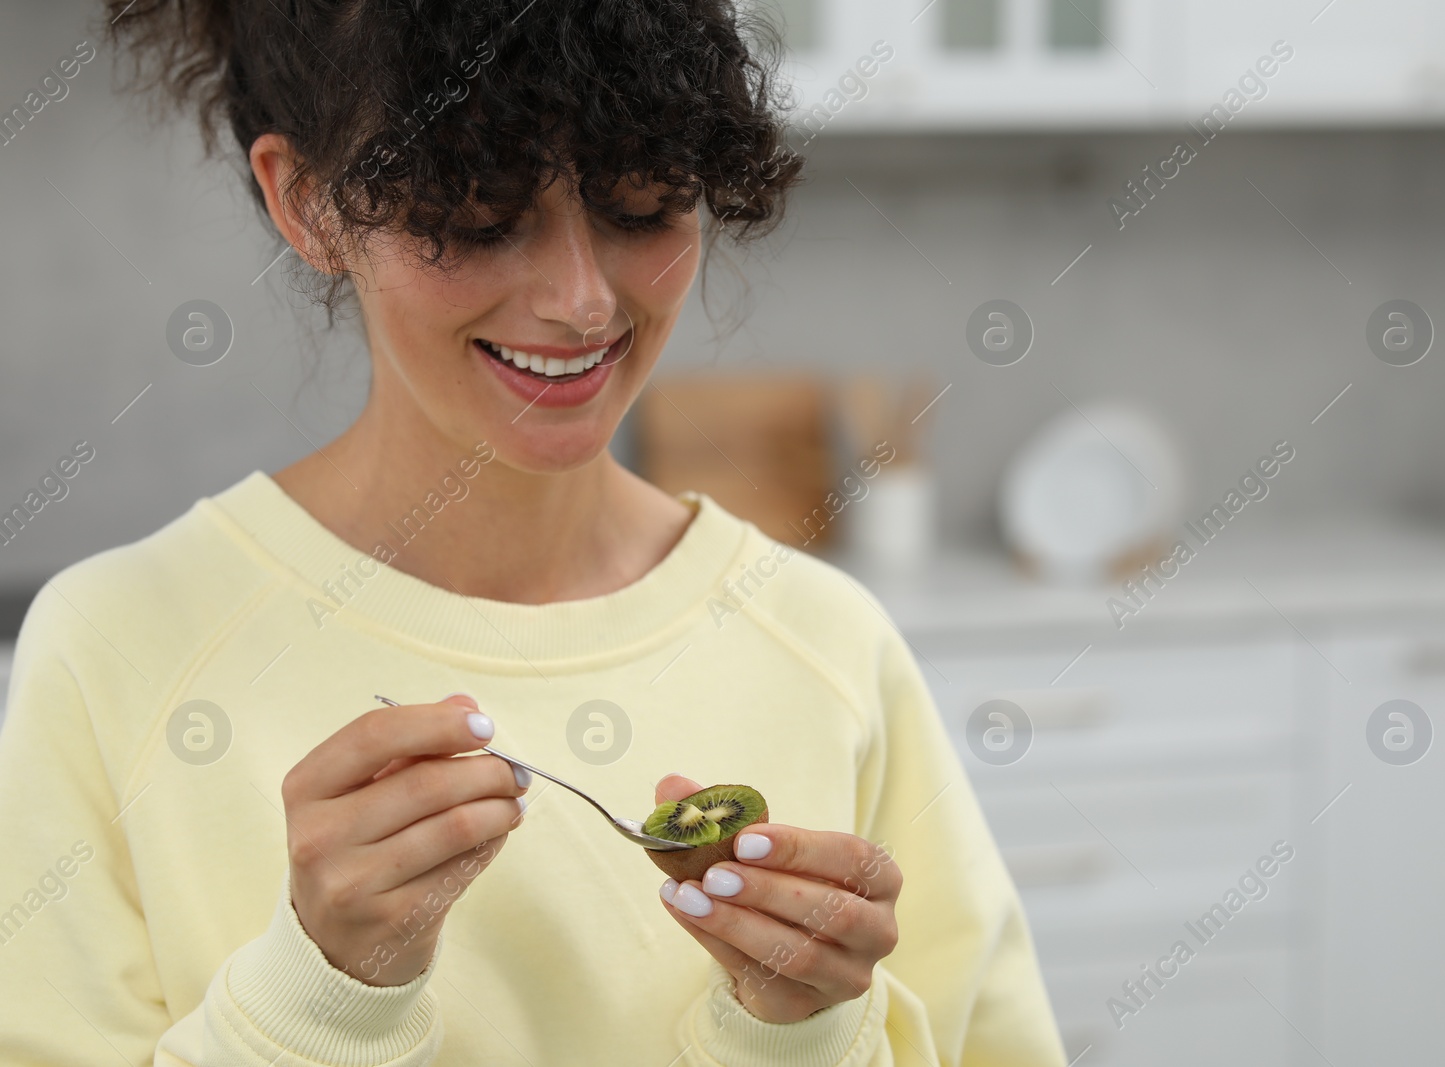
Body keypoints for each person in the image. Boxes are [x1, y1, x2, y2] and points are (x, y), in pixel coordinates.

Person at [0, 1, 1066, 1063]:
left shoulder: (829, 645)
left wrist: (803, 1035)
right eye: (478, 211)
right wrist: (315, 995)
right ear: (309, 202)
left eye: (643, 205)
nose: (581, 301)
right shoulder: (113, 652)